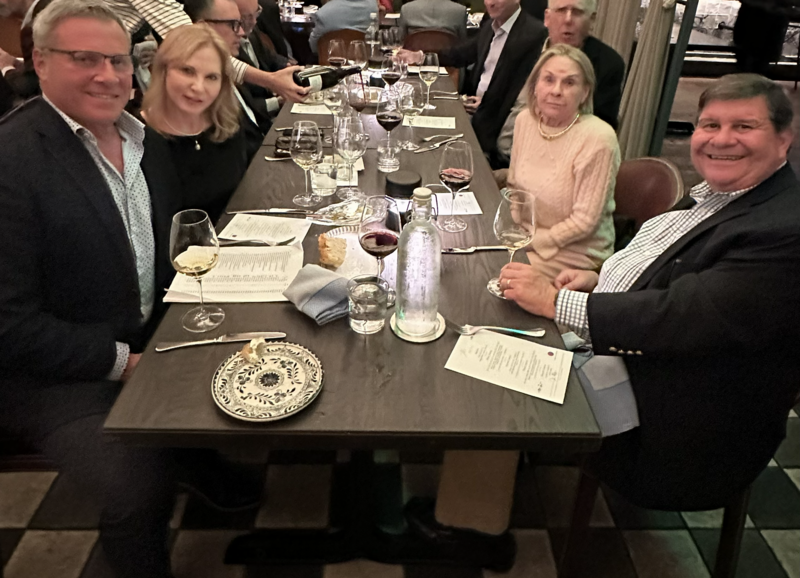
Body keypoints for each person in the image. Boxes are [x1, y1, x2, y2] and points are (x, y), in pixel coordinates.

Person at [408, 75, 800, 565]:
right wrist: (598, 278)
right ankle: (494, 475)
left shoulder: (785, 229)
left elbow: (682, 318)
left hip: (683, 416)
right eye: (710, 125)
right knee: (488, 333)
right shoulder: (728, 193)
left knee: (496, 381)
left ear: (784, 138)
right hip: (644, 359)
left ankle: (473, 534)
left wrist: (557, 303)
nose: (721, 139)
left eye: (744, 126)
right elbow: (677, 274)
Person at [0, 1, 180, 575]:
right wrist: (125, 364)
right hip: (53, 378)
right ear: (40, 62)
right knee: (136, 486)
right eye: (84, 59)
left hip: (143, 336)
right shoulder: (12, 160)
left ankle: (218, 481)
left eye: (118, 61)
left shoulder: (143, 140)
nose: (107, 75)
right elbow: (9, 326)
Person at [506, 44, 618, 281]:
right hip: (526, 236)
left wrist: (536, 241)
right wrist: (515, 225)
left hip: (575, 253)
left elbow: (584, 222)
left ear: (584, 93)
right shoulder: (525, 121)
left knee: (496, 273)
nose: (556, 90)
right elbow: (514, 184)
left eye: (569, 83)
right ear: (535, 85)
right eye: (548, 79)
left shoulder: (598, 138)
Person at [397, 0, 547, 159]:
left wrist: (487, 103)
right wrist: (421, 57)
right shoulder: (490, 26)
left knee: (425, 148)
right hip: (473, 110)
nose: (490, 3)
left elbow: (523, 91)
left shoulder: (534, 34)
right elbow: (459, 54)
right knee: (412, 132)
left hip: (491, 129)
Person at [494, 0, 625, 168]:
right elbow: (497, 100)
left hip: (548, 165)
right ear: (547, 17)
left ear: (592, 20)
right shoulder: (523, 46)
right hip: (496, 151)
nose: (568, 19)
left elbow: (598, 129)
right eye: (561, 10)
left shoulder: (608, 64)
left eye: (577, 12)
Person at [142, 24, 248, 221]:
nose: (198, 87)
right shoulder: (136, 135)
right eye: (187, 71)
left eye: (211, 77)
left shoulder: (228, 124)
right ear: (163, 70)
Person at [184, 0, 274, 158]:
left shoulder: (229, 70)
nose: (242, 32)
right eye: (233, 24)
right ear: (203, 27)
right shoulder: (198, 92)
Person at [307, 0, 377, 55]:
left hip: (329, 64)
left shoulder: (323, 13)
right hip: (366, 61)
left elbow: (314, 47)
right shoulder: (373, 6)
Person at [398, 0, 468, 40]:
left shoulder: (406, 9)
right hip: (450, 60)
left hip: (413, 60)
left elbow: (400, 40)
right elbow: (463, 41)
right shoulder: (460, 10)